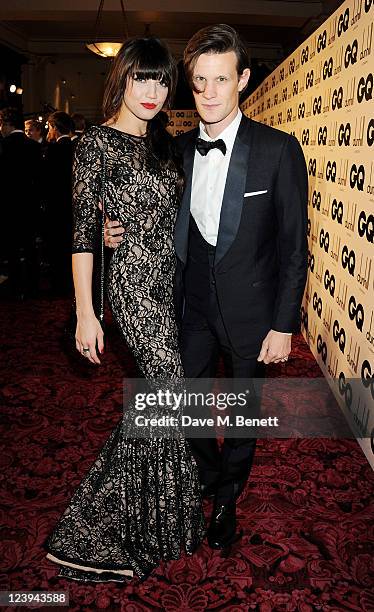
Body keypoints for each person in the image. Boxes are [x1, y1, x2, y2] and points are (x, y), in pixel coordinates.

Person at [104, 25, 308, 552]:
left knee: (242, 416)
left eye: (221, 79)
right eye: (199, 82)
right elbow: (147, 211)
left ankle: (227, 498)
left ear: (242, 78)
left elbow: (293, 248)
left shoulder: (279, 151)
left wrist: (284, 323)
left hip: (253, 312)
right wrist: (115, 230)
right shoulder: (174, 150)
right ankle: (210, 475)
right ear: (189, 86)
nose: (210, 93)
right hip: (188, 309)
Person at [43, 36, 205, 582]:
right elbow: (83, 234)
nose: (153, 91)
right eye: (142, 78)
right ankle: (111, 521)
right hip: (135, 289)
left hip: (173, 286)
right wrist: (87, 312)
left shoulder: (165, 144)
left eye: (162, 81)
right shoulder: (96, 144)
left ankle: (160, 517)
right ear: (122, 79)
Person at [0, 107, 42, 298]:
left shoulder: (3, 145)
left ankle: (15, 288)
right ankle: (33, 287)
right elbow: (40, 178)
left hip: (7, 206)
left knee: (12, 250)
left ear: (6, 124)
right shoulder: (33, 146)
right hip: (29, 206)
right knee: (30, 248)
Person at [44, 111, 75, 294]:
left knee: (57, 247)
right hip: (72, 207)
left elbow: (46, 182)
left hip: (56, 206)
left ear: (54, 127)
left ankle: (59, 284)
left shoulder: (52, 150)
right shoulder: (76, 148)